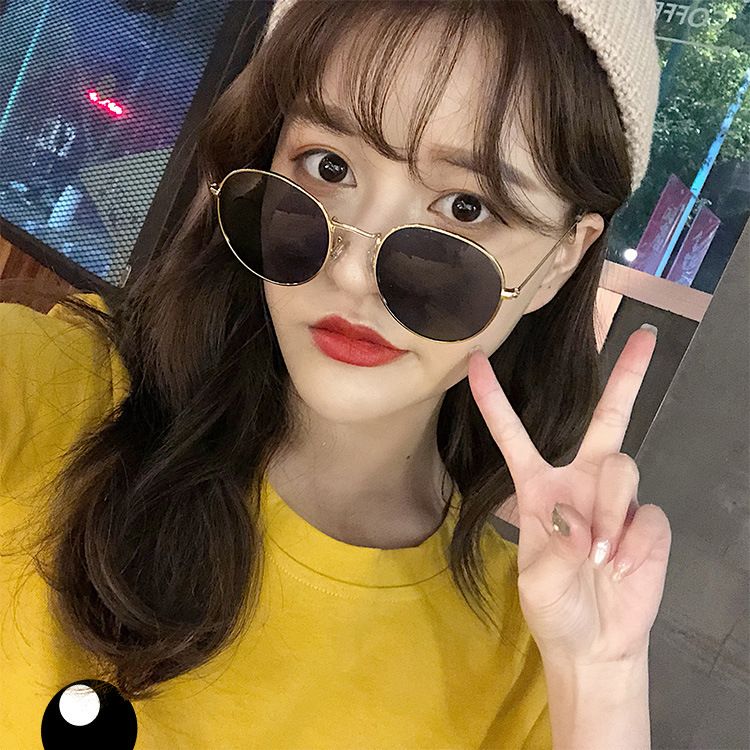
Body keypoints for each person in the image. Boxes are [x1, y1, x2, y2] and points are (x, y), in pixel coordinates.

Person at [0, 1, 671, 747]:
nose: (351, 272)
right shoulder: (49, 396)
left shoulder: (537, 662)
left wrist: (602, 681)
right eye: (329, 166)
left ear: (561, 259)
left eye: (466, 206)